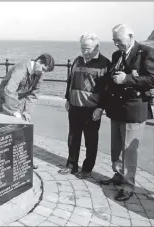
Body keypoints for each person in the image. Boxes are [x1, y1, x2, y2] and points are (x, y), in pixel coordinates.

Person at [99, 24, 154, 201]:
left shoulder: (146, 53)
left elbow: (152, 79)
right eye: (114, 40)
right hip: (116, 109)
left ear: (130, 36)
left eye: (119, 40)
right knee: (116, 147)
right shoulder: (117, 55)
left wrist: (127, 79)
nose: (116, 44)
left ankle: (128, 185)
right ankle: (118, 175)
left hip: (134, 109)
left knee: (129, 149)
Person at [58, 33, 110, 179]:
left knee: (91, 140)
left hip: (92, 109)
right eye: (82, 48)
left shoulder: (105, 63)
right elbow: (70, 81)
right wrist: (68, 98)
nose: (84, 51)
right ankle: (71, 165)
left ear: (97, 47)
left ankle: (87, 169)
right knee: (73, 138)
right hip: (75, 107)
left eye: (87, 48)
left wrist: (100, 108)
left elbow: (107, 89)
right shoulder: (77, 60)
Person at [0, 53, 55, 169]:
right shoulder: (21, 68)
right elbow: (9, 90)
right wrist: (15, 112)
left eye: (45, 71)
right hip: (7, 101)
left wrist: (27, 112)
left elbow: (33, 94)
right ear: (38, 61)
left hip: (20, 101)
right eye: (43, 69)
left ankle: (24, 159)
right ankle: (5, 163)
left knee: (24, 132)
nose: (43, 73)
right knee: (7, 135)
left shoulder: (39, 73)